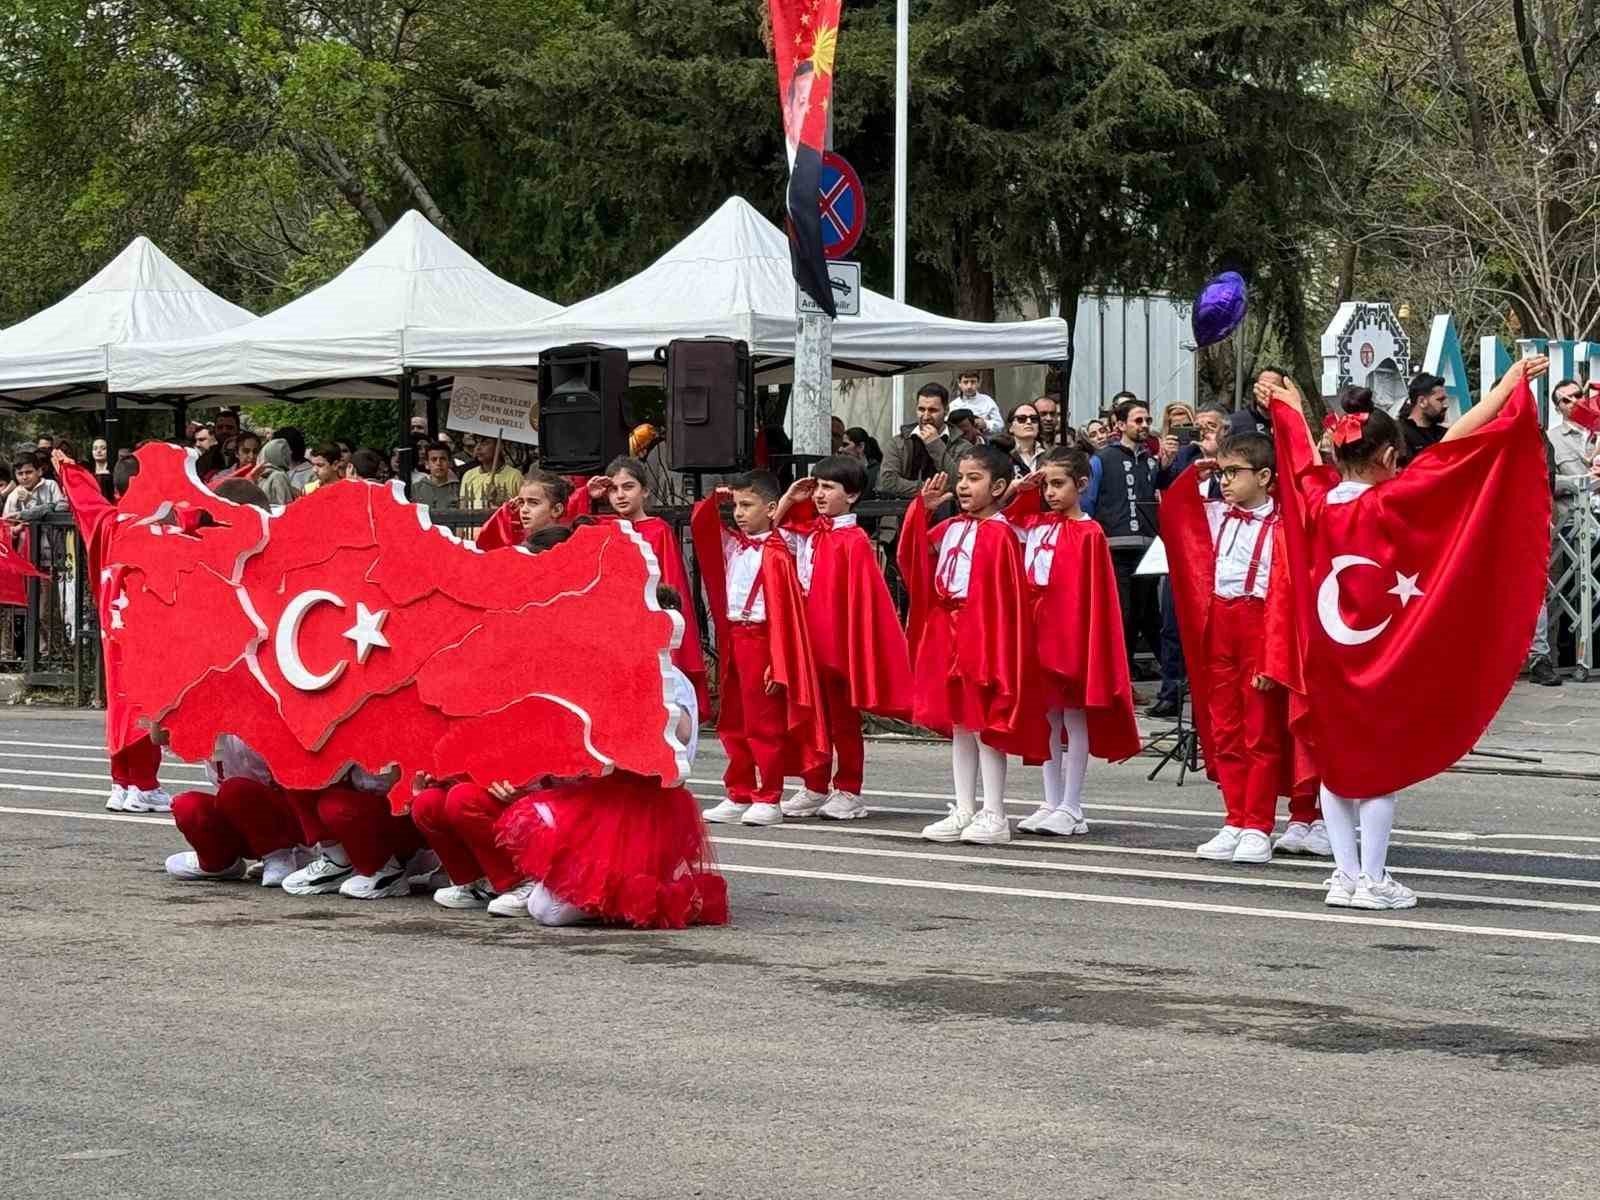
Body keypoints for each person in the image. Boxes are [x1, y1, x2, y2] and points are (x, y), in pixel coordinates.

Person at [1265, 356, 1551, 910]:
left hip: (1326, 654)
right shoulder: (1394, 499)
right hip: (1379, 658)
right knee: (1377, 771)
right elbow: (1458, 446)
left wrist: (1287, 403)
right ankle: (1373, 878)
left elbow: (1299, 453)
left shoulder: (1314, 500)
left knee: (1335, 760)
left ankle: (1344, 876)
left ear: (1337, 450)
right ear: (1391, 456)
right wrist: (1507, 386)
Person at [493, 583, 728, 928]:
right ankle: (598, 891)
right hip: (598, 799)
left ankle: (636, 888)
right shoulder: (606, 670)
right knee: (545, 905)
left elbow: (678, 748)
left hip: (642, 804)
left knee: (551, 912)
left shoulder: (672, 683)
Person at [1161, 431, 1320, 865]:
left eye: (1234, 473)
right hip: (1220, 629)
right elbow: (1176, 515)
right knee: (1225, 730)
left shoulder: (1285, 525)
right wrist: (1196, 473)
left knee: (1260, 734)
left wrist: (1273, 654)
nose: (1225, 482)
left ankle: (1258, 824)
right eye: (1223, 472)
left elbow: (1286, 596)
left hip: (1261, 627)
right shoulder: (1217, 515)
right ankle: (1234, 818)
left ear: (1265, 476)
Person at [898, 444, 1044, 846]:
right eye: (961, 477)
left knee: (986, 725)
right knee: (961, 724)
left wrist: (990, 644)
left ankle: (994, 811)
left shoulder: (999, 534)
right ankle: (964, 807)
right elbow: (912, 556)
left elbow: (1004, 600)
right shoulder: (953, 527)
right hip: (948, 630)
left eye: (973, 478)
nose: (963, 486)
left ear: (999, 487)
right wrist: (921, 510)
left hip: (981, 635)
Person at [1004, 447, 1141, 835]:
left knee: (1074, 719)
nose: (1049, 492)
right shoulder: (1036, 523)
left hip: (1072, 638)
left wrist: (1085, 645)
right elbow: (1005, 520)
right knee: (1047, 719)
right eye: (1045, 484)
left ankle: (1072, 805)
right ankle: (1050, 800)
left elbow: (1093, 596)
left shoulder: (1090, 532)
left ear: (1081, 485)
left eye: (1058, 484)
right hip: (1036, 634)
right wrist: (1023, 489)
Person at [774, 459, 915, 820]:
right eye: (817, 487)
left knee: (842, 719)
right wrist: (790, 499)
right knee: (808, 713)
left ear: (851, 495)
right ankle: (814, 783)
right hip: (806, 638)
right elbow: (769, 540)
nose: (820, 495)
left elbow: (862, 600)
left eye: (829, 488)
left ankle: (849, 788)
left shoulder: (853, 541)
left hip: (836, 641)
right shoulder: (807, 531)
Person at [691, 472, 826, 827]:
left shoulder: (779, 552)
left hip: (763, 641)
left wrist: (775, 662)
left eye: (747, 505)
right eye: (736, 505)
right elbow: (701, 527)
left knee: (764, 724)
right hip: (735, 638)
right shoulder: (735, 545)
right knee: (733, 720)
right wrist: (716, 499)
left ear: (770, 509)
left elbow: (784, 614)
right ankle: (739, 790)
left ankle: (769, 795)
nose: (738, 512)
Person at [51, 448, 171, 812]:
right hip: (147, 627)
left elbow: (86, 500)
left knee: (119, 705)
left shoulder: (108, 521)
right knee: (145, 704)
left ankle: (121, 783)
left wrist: (71, 472)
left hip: (113, 628)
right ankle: (144, 786)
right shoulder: (158, 523)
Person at [567, 456, 708, 710]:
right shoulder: (602, 527)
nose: (620, 495)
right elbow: (565, 529)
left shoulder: (658, 530)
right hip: (610, 624)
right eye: (613, 489)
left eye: (628, 487)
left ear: (645, 491)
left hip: (646, 622)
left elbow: (671, 583)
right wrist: (586, 494)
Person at [280, 766, 435, 900]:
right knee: (295, 774)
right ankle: (338, 861)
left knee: (335, 807)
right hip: (359, 792)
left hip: (402, 810)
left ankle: (387, 868)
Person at [1093, 398, 1165, 680]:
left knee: (1145, 615)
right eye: (1138, 420)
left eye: (1147, 420)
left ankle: (1154, 677)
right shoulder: (1102, 458)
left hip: (1147, 548)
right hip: (1115, 547)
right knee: (1121, 616)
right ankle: (1117, 680)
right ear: (1120, 425)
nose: (1145, 425)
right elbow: (1089, 499)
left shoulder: (1151, 461)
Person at [1531, 379, 1596, 685]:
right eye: (1566, 400)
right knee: (1564, 594)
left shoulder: (1596, 432)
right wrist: (1585, 479)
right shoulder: (1552, 439)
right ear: (1557, 408)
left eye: (1578, 396)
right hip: (1572, 527)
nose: (1574, 402)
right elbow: (1548, 483)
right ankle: (1561, 656)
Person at [879, 383, 965, 499]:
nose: (925, 416)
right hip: (908, 512)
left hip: (949, 512)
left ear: (946, 410)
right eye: (921, 409)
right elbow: (888, 482)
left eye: (933, 410)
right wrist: (932, 489)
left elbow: (960, 482)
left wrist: (935, 446)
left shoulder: (962, 445)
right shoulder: (898, 443)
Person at [459, 437, 524, 509]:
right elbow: (463, 508)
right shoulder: (469, 475)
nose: (478, 448)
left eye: (485, 443)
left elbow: (520, 507)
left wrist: (499, 500)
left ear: (500, 446)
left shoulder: (515, 476)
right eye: (477, 443)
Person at [1399, 372, 1448, 465]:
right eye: (1440, 400)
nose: (1446, 405)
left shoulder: (1444, 434)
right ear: (1422, 401)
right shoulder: (1399, 434)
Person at [1227, 366, 1290, 438]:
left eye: (1273, 387)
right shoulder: (1234, 424)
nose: (1266, 391)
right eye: (1262, 386)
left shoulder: (1293, 426)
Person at [412, 443, 461, 511]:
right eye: (434, 459)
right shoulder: (415, 489)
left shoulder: (459, 488)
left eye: (443, 459)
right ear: (427, 464)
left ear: (450, 463)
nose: (438, 463)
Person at [252, 438, 300, 506]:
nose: (290, 453)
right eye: (285, 452)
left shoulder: (261, 476)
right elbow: (285, 506)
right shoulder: (279, 476)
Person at [954, 370, 1004, 435]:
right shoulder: (954, 405)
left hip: (985, 441)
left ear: (978, 383)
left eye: (973, 382)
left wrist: (986, 424)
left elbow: (1000, 425)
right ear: (959, 383)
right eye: (965, 382)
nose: (969, 386)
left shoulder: (988, 401)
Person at [1006, 402, 1047, 475]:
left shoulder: (1048, 455)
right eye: (1021, 419)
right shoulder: (1002, 454)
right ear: (1011, 427)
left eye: (1034, 419)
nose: (1029, 422)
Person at [841, 426, 883, 496]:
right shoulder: (841, 472)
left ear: (860, 446)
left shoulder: (878, 473)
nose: (840, 449)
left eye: (845, 445)